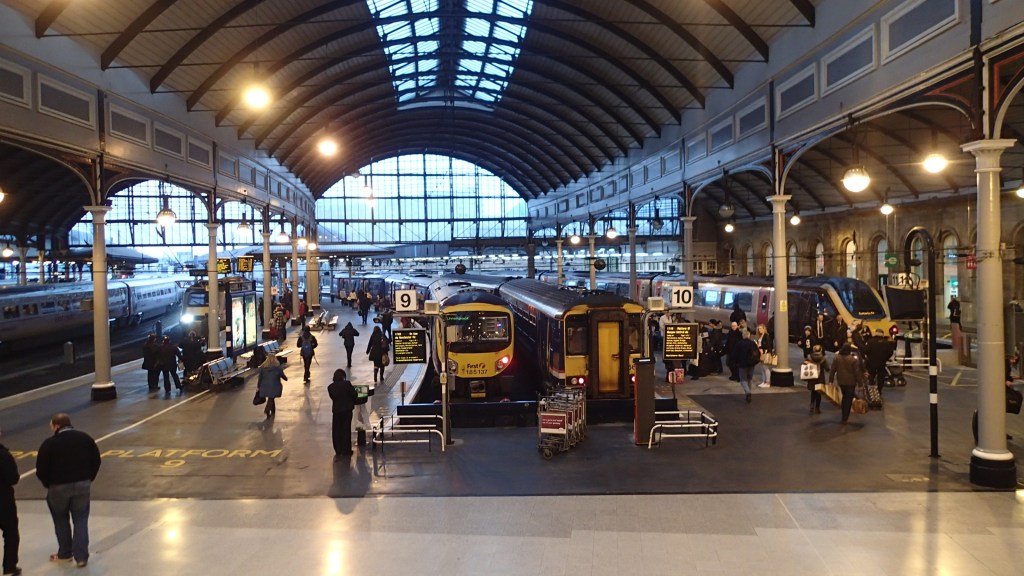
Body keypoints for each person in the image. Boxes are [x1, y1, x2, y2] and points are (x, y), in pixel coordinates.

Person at [35, 413, 101, 568]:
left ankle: (65, 553)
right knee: (81, 519)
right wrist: (88, 478)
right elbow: (96, 461)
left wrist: (48, 484)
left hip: (58, 488)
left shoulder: (49, 444)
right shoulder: (85, 439)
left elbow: (41, 469)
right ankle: (81, 557)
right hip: (82, 485)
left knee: (60, 519)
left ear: (56, 426)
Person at [829, 343, 867, 424]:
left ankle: (843, 414)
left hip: (841, 381)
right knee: (848, 400)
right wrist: (860, 384)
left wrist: (830, 381)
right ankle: (845, 417)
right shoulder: (853, 360)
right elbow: (857, 373)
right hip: (851, 382)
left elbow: (832, 370)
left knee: (844, 397)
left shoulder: (837, 358)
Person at [0, 428, 20, 576]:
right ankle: (9, 567)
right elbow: (13, 478)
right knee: (10, 532)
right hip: (3, 499)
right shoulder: (4, 455)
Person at [327, 369, 358, 458]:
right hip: (347, 410)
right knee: (346, 429)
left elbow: (333, 397)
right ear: (343, 377)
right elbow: (354, 395)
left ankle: (338, 450)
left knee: (336, 430)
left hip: (336, 411)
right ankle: (346, 450)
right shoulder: (347, 384)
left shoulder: (330, 387)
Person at [864, 329, 896, 395]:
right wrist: (885, 358)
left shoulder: (870, 341)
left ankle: (871, 391)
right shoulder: (886, 342)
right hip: (882, 362)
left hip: (872, 362)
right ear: (882, 334)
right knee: (881, 377)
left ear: (875, 333)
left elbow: (866, 350)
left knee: (871, 376)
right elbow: (890, 352)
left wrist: (869, 357)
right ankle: (879, 390)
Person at [257, 354, 288, 418]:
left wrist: (258, 386)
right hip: (274, 386)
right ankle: (267, 410)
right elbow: (283, 376)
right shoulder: (278, 368)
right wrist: (286, 378)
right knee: (271, 397)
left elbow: (260, 378)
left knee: (271, 398)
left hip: (264, 386)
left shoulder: (263, 368)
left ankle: (273, 411)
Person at [733, 330, 760, 403]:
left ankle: (748, 393)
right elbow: (758, 353)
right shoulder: (752, 343)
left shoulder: (739, 343)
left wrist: (736, 362)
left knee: (743, 380)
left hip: (742, 364)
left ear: (743, 336)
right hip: (751, 364)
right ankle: (749, 393)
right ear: (749, 336)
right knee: (749, 379)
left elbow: (735, 354)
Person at [803, 344, 829, 415]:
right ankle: (817, 408)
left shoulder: (809, 357)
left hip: (812, 377)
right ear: (821, 350)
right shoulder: (823, 358)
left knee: (813, 391)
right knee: (818, 393)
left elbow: (804, 365)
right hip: (820, 378)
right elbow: (827, 368)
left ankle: (812, 404)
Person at [753, 323, 774, 388]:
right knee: (762, 368)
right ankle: (764, 381)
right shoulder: (760, 336)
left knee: (766, 368)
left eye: (761, 329)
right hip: (761, 353)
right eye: (759, 329)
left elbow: (768, 345)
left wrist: (760, 346)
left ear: (764, 329)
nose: (760, 330)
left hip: (765, 353)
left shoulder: (766, 335)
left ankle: (767, 382)